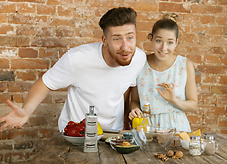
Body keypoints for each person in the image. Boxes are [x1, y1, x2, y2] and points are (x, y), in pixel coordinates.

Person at [0, 7, 146, 133]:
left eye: (130, 37)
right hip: (76, 133)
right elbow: (45, 83)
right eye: (117, 39)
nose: (125, 47)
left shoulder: (138, 58)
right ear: (104, 40)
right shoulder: (77, 59)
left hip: (113, 133)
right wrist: (26, 111)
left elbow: (124, 87)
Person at [129, 13, 198, 132]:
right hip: (145, 128)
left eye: (170, 42)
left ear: (177, 42)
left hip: (176, 129)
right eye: (159, 40)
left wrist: (173, 100)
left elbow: (194, 105)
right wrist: (135, 110)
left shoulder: (185, 65)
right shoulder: (140, 63)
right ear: (151, 39)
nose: (163, 48)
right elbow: (134, 101)